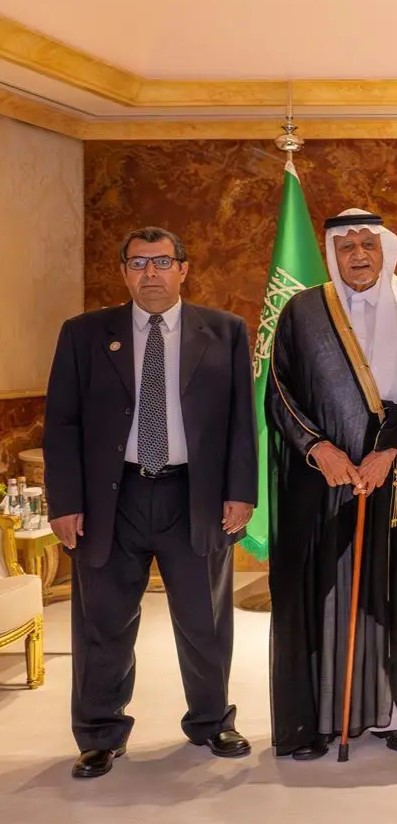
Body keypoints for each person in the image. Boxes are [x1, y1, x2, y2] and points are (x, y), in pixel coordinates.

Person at [43, 226, 257, 778]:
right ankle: (99, 734)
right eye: (138, 263)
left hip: (196, 495)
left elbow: (241, 420)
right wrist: (64, 501)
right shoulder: (84, 334)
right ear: (124, 273)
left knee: (205, 619)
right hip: (112, 499)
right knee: (103, 621)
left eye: (162, 262)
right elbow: (61, 424)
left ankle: (211, 721)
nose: (150, 273)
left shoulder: (225, 331)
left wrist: (240, 492)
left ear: (183, 269)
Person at [266, 209, 397, 760]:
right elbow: (279, 389)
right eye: (347, 246)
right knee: (321, 593)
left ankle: (392, 714)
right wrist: (320, 449)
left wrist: (390, 452)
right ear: (332, 253)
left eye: (368, 244)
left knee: (389, 591)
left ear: (385, 249)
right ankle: (316, 720)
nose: (359, 255)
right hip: (320, 482)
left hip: (390, 478)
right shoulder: (303, 311)